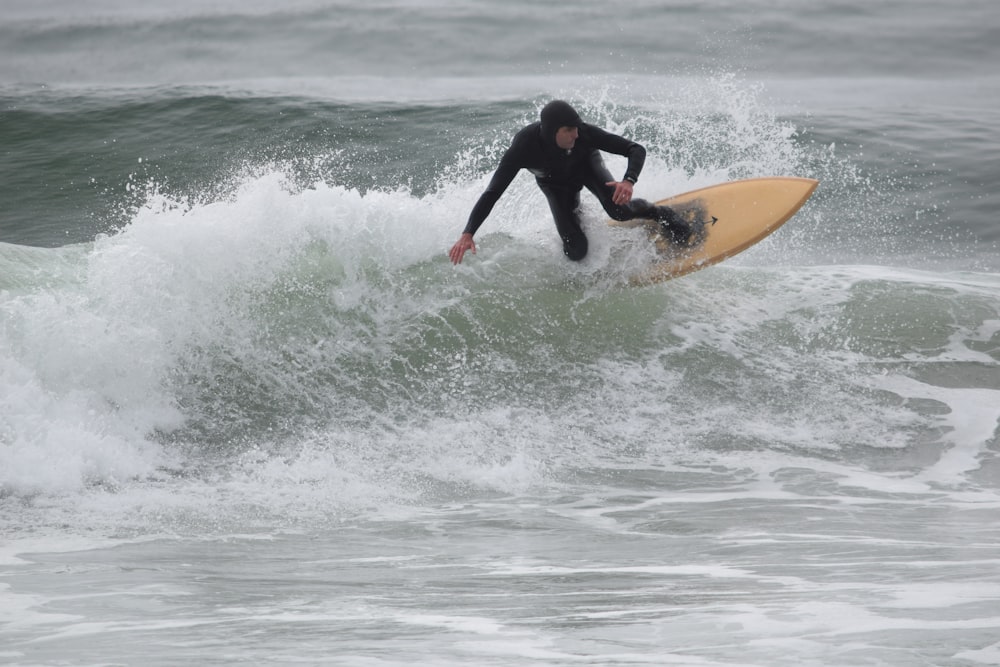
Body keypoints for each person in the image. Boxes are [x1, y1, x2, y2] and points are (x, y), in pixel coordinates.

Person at [448, 99, 691, 265]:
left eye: (576, 128)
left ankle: (659, 213)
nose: (576, 134)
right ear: (552, 131)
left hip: (587, 167)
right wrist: (468, 233)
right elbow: (492, 192)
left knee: (620, 212)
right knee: (577, 250)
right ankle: (573, 247)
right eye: (569, 130)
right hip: (554, 184)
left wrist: (628, 180)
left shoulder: (582, 134)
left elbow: (634, 148)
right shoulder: (523, 148)